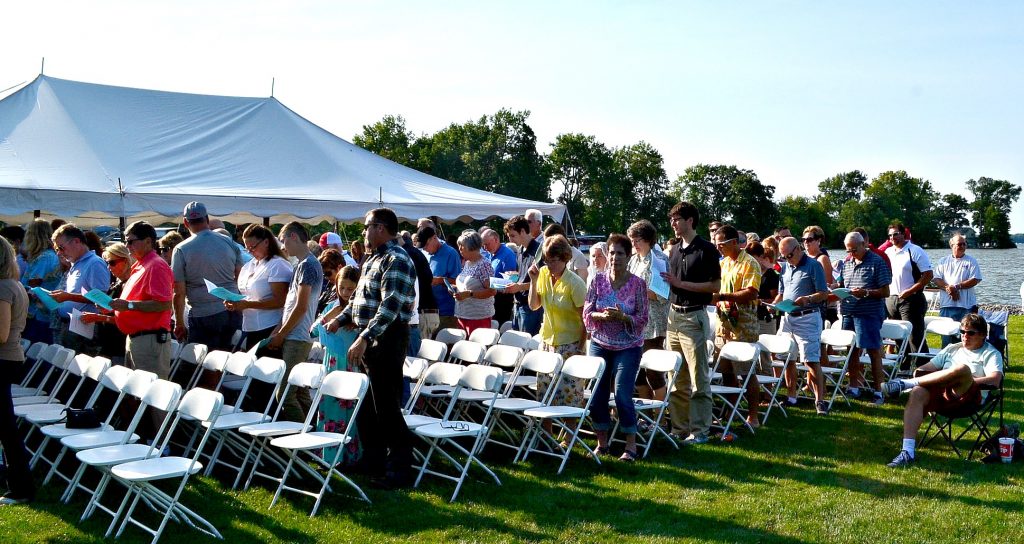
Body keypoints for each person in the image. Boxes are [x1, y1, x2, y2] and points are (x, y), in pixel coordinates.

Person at [332, 207, 417, 489]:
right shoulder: (372, 259)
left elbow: (390, 306)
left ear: (380, 228)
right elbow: (360, 299)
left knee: (387, 407)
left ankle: (401, 469)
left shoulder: (397, 259)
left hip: (387, 339)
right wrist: (339, 319)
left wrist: (365, 337)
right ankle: (373, 459)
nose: (364, 233)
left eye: (367, 227)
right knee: (367, 405)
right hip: (370, 337)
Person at [881, 313, 1003, 467]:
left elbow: (995, 380)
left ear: (983, 335)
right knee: (917, 392)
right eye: (962, 332)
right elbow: (924, 369)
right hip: (942, 396)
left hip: (969, 398)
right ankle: (907, 452)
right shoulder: (952, 348)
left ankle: (904, 384)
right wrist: (927, 376)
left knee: (962, 369)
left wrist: (965, 379)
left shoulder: (990, 353)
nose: (965, 336)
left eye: (971, 333)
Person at [583, 234, 649, 461]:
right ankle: (602, 442)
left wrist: (623, 317)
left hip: (628, 346)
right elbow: (587, 312)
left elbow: (643, 318)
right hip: (600, 343)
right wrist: (600, 315)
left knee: (622, 394)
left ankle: (631, 444)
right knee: (597, 394)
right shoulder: (597, 280)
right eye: (611, 253)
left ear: (628, 256)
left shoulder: (637, 284)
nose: (615, 257)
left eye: (620, 253)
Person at [660, 202, 720, 444]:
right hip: (673, 316)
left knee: (698, 378)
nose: (673, 223)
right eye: (672, 219)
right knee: (676, 377)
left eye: (677, 219)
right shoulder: (674, 250)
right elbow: (669, 282)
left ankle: (700, 431)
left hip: (694, 316)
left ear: (690, 221)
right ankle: (679, 428)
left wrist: (680, 284)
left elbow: (715, 287)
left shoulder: (706, 249)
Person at [528, 235, 588, 422]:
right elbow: (533, 305)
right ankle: (547, 438)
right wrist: (533, 281)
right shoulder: (543, 274)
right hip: (547, 341)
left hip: (570, 344)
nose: (550, 264)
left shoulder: (575, 283)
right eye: (547, 260)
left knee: (569, 394)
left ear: (565, 258)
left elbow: (585, 318)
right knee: (545, 392)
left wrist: (580, 347)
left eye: (554, 260)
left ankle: (569, 438)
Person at [171, 202, 244, 352]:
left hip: (204, 314)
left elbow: (179, 292)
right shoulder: (229, 242)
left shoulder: (181, 249)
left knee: (206, 365)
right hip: (232, 311)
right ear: (207, 219)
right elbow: (241, 279)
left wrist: (179, 322)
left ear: (185, 222)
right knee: (226, 362)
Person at [269, 222, 322, 422]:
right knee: (298, 392)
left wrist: (281, 334)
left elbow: (301, 306)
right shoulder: (302, 264)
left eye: (283, 241)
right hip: (294, 334)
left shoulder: (308, 264)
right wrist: (279, 330)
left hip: (297, 336)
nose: (282, 247)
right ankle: (317, 436)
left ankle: (303, 442)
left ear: (293, 237)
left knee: (284, 394)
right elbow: (292, 305)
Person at [712, 224, 764, 429]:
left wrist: (723, 297)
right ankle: (731, 411)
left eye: (721, 244)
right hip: (723, 325)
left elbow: (751, 292)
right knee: (726, 371)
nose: (719, 248)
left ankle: (753, 416)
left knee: (746, 372)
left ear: (734, 242)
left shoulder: (750, 263)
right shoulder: (723, 263)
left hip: (743, 327)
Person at [835, 231, 892, 405]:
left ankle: (878, 391)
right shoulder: (847, 263)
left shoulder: (877, 262)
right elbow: (843, 284)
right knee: (851, 350)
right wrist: (835, 288)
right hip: (849, 312)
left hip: (869, 313)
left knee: (874, 351)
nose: (851, 253)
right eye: (848, 250)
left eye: (854, 250)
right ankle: (854, 387)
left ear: (863, 245)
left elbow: (886, 291)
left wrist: (866, 292)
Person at [774, 237, 830, 414]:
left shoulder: (814, 265)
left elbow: (823, 293)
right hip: (788, 317)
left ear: (798, 249)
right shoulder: (785, 268)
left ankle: (820, 400)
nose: (787, 259)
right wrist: (772, 305)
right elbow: (781, 293)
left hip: (808, 317)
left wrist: (808, 299)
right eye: (783, 257)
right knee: (787, 358)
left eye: (789, 255)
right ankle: (791, 397)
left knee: (811, 360)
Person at [313, 265, 362, 465]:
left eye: (351, 289)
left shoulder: (360, 310)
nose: (345, 293)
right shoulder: (332, 306)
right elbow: (314, 331)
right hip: (332, 363)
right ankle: (328, 454)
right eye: (342, 287)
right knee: (330, 406)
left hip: (350, 364)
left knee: (349, 408)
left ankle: (349, 454)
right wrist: (333, 311)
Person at [0, 235, 34, 505]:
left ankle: (20, 487)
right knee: (6, 426)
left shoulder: (3, 288)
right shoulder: (14, 285)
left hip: (3, 358)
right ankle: (18, 482)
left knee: (7, 428)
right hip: (10, 358)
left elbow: (0, 334)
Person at [225, 224, 292, 350]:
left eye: (253, 247)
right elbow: (247, 294)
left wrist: (247, 304)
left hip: (269, 326)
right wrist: (235, 303)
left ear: (266, 242)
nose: (250, 251)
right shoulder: (249, 265)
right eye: (247, 248)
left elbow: (281, 301)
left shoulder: (278, 264)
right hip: (249, 326)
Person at [47, 224, 110, 354]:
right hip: (71, 326)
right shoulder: (76, 264)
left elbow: (102, 300)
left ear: (76, 241)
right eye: (57, 249)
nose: (59, 252)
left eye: (61, 247)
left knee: (80, 370)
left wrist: (68, 297)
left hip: (84, 329)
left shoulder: (94, 263)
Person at [627, 220, 669, 401]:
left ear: (648, 240)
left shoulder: (659, 260)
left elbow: (661, 293)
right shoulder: (633, 260)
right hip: (635, 323)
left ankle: (660, 414)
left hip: (653, 323)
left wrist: (636, 290)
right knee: (638, 375)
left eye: (637, 240)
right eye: (632, 240)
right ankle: (647, 415)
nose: (634, 244)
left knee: (654, 372)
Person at [884, 222, 932, 354]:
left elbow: (928, 275)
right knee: (898, 336)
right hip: (891, 299)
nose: (893, 238)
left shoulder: (915, 250)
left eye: (896, 234)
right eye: (890, 236)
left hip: (912, 299)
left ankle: (922, 368)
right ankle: (904, 368)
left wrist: (910, 291)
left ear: (903, 234)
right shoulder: (887, 252)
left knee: (914, 337)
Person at [932, 233, 982, 347]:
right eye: (960, 244)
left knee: (966, 337)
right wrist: (948, 288)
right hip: (947, 305)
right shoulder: (943, 261)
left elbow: (975, 279)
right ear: (952, 245)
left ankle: (965, 362)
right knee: (946, 338)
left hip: (966, 306)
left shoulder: (971, 261)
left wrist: (956, 287)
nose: (963, 246)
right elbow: (936, 279)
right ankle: (945, 362)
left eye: (965, 244)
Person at [19, 219, 60, 344]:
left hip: (39, 314)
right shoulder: (49, 255)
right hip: (43, 313)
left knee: (35, 350)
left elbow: (32, 286)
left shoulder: (44, 258)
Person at [503, 216, 544, 335]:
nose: (510, 239)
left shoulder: (539, 251)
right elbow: (522, 276)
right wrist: (512, 277)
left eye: (512, 235)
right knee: (518, 344)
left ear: (522, 231)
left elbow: (542, 282)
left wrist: (519, 286)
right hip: (517, 303)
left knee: (527, 344)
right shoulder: (520, 250)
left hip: (531, 306)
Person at [416, 226, 461, 333]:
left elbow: (459, 282)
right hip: (427, 310)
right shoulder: (425, 253)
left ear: (434, 238)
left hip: (446, 311)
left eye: (426, 245)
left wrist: (439, 280)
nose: (424, 249)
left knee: (446, 344)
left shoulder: (451, 253)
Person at [93, 243, 133, 360]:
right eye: (107, 263)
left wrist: (99, 317)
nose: (108, 267)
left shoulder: (131, 284)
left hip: (120, 343)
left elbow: (129, 319)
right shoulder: (117, 283)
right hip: (109, 342)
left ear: (126, 261)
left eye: (112, 263)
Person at [453, 230, 495, 335]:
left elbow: (492, 291)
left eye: (462, 246)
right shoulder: (467, 263)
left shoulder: (484, 264)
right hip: (463, 314)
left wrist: (469, 294)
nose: (459, 249)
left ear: (471, 247)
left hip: (478, 317)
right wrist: (455, 289)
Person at [801, 226, 836, 324]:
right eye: (804, 240)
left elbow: (826, 285)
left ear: (818, 241)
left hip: (818, 306)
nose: (806, 242)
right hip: (803, 305)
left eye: (809, 239)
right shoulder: (803, 258)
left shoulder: (822, 258)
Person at [482, 228, 517, 325]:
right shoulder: (489, 254)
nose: (485, 248)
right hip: (491, 302)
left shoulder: (508, 254)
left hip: (502, 303)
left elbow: (512, 281)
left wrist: (491, 283)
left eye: (487, 244)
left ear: (496, 240)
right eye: (483, 245)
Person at [317, 249, 346, 315]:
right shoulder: (330, 286)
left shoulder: (347, 290)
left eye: (328, 273)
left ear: (339, 268)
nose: (326, 277)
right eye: (324, 274)